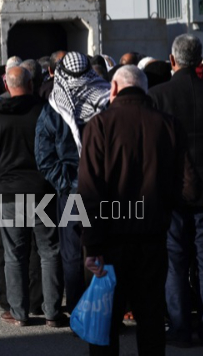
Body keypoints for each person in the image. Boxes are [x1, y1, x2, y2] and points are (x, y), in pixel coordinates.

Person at [79, 65, 196, 354]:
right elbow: (188, 187)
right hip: (152, 238)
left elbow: (90, 192)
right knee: (151, 320)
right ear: (145, 89)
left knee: (105, 325)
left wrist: (91, 245)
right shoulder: (168, 125)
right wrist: (163, 206)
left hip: (109, 241)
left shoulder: (99, 125)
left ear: (114, 89)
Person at [0, 67, 63, 327]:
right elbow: (58, 149)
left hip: (9, 191)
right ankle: (52, 312)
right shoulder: (45, 111)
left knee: (14, 255)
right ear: (31, 83)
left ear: (7, 84)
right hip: (42, 190)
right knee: (49, 252)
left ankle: (19, 312)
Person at [149, 34, 203, 347]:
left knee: (175, 260)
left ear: (172, 60)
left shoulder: (158, 95)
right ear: (200, 58)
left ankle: (179, 326)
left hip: (172, 190)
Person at [35, 52, 109, 314]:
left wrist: (65, 184)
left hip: (72, 193)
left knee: (72, 254)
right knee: (103, 249)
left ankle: (79, 312)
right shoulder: (106, 100)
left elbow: (44, 158)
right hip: (103, 190)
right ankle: (104, 312)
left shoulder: (54, 106)